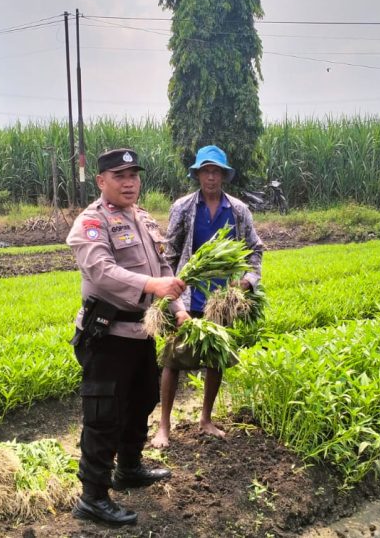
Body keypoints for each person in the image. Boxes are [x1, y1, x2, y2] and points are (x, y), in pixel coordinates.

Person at [66, 148, 191, 526]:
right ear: (101, 181)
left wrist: (179, 308)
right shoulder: (91, 223)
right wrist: (152, 284)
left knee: (143, 399)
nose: (129, 182)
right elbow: (101, 272)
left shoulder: (145, 220)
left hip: (141, 332)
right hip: (107, 336)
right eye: (119, 176)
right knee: (104, 414)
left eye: (134, 175)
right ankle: (92, 497)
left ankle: (129, 468)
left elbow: (164, 266)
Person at [150, 145, 264, 448]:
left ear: (223, 175)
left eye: (216, 171)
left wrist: (247, 282)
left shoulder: (238, 211)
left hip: (222, 299)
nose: (210, 177)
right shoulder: (183, 208)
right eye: (205, 171)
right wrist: (170, 297)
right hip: (187, 296)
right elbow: (170, 254)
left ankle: (205, 419)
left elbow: (255, 250)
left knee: (215, 358)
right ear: (198, 174)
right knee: (173, 359)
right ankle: (164, 427)